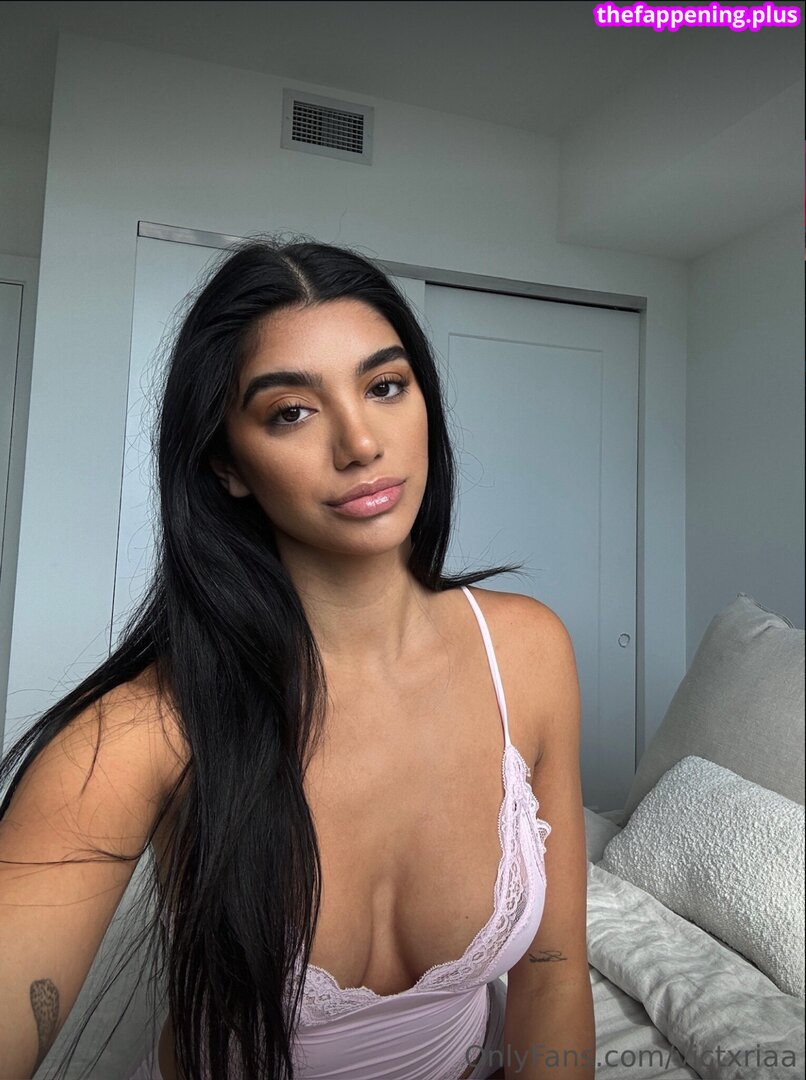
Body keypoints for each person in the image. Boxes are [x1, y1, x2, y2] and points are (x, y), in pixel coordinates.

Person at [0, 235, 595, 1080]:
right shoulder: (145, 732)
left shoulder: (529, 652)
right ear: (227, 465)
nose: (361, 443)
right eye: (291, 411)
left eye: (385, 386)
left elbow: (554, 972)